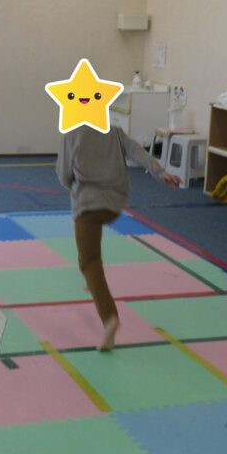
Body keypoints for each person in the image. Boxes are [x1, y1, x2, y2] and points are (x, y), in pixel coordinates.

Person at [56, 125, 179, 350]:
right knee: (90, 257)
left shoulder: (71, 133)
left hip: (88, 205)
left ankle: (109, 318)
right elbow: (137, 152)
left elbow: (64, 174)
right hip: (114, 205)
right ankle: (94, 284)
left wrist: (73, 186)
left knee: (89, 262)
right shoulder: (113, 130)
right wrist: (161, 173)